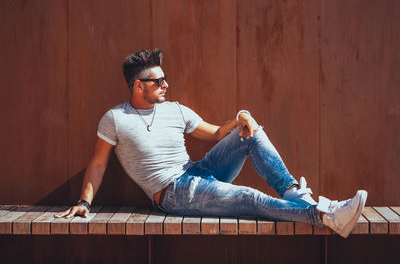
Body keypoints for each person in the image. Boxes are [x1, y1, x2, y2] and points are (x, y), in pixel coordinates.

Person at [55, 49, 367, 238]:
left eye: (165, 79)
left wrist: (242, 115)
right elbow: (98, 163)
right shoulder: (115, 118)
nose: (166, 85)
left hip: (200, 172)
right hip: (175, 193)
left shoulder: (176, 109)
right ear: (138, 86)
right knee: (249, 197)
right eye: (158, 81)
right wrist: (84, 202)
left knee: (251, 131)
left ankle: (295, 194)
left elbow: (218, 134)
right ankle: (323, 214)